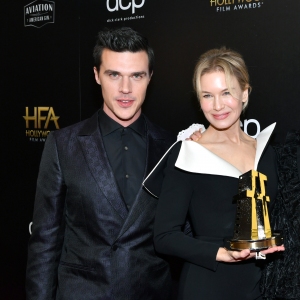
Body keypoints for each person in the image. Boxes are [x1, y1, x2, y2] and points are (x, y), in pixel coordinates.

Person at [26, 27, 176, 300]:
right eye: (114, 74)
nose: (125, 89)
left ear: (150, 77)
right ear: (97, 75)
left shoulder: (172, 146)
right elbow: (45, 242)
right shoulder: (63, 144)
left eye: (137, 76)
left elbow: (184, 233)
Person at [143, 47, 284, 300]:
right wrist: (221, 252)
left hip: (258, 287)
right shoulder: (190, 153)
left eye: (226, 93)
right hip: (206, 286)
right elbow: (164, 237)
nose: (217, 105)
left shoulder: (266, 152)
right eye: (207, 95)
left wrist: (263, 251)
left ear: (245, 92)